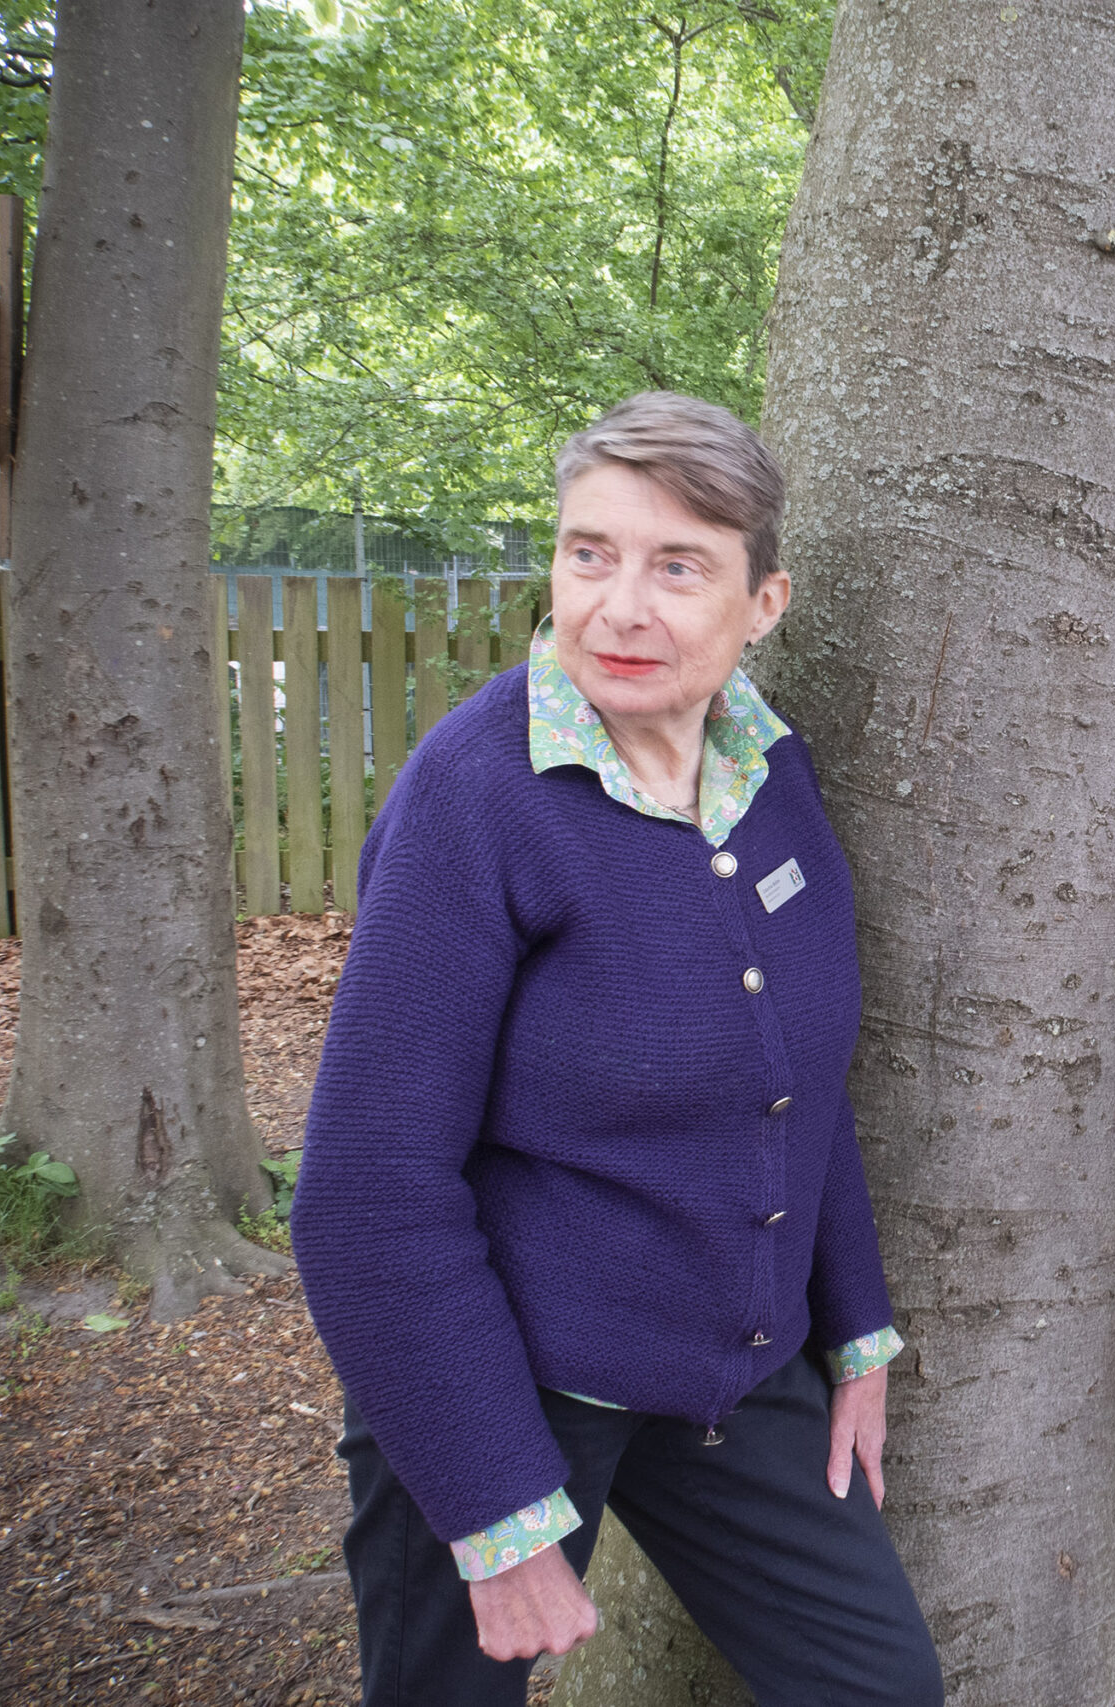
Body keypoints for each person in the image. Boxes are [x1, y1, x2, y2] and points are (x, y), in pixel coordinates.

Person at [292, 392, 943, 1707]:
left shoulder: (770, 777)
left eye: (678, 567)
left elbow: (801, 1082)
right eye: (589, 554)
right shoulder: (475, 797)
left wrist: (854, 1325)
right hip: (497, 1379)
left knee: (882, 1689)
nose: (620, 606)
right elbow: (368, 1190)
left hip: (728, 1370)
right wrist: (495, 1510)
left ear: (764, 605)